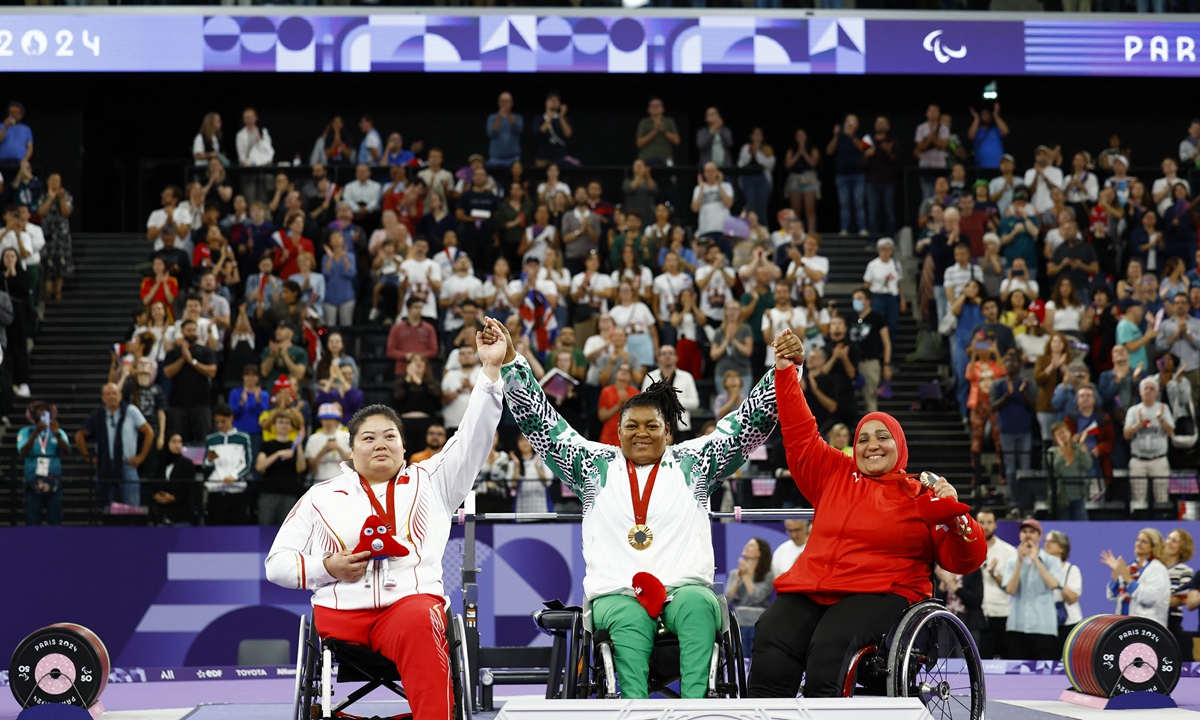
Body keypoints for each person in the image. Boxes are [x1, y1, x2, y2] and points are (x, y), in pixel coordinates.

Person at [497, 315, 781, 700]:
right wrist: (513, 363)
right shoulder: (593, 466)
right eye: (631, 426)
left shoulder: (695, 462)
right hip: (617, 594)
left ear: (669, 430)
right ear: (618, 432)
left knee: (699, 607)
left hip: (684, 589)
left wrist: (781, 371)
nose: (641, 433)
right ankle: (635, 709)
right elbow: (542, 426)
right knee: (629, 620)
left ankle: (696, 708)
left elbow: (748, 426)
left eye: (652, 426)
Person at [265, 318, 507, 720]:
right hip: (340, 616)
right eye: (369, 437)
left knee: (419, 619)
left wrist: (490, 372)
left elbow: (472, 437)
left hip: (408, 610)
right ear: (351, 449)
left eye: (390, 436)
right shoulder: (320, 496)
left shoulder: (433, 481)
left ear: (403, 445)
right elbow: (276, 564)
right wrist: (326, 567)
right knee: (414, 621)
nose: (380, 443)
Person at [750, 330, 984, 698]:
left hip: (880, 591)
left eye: (882, 437)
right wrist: (785, 370)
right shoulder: (834, 472)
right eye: (863, 438)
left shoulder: (921, 492)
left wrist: (956, 518)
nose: (872, 444)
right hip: (814, 587)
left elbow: (963, 560)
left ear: (899, 444)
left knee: (830, 647)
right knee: (771, 634)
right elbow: (799, 431)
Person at [77, 383, 154, 507]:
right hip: (105, 465)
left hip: (127, 464)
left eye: (114, 393)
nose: (111, 396)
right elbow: (80, 435)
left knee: (132, 505)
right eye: (108, 394)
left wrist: (142, 456)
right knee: (107, 506)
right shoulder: (98, 415)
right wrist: (88, 457)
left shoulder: (131, 411)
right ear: (103, 398)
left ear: (120, 395)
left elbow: (149, 432)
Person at [1002, 518, 1063, 661]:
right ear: (1020, 536)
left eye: (1032, 532)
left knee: (1045, 675)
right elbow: (1010, 590)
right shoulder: (1012, 562)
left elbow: (1053, 584)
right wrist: (1019, 561)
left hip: (1043, 627)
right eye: (1024, 532)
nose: (1028, 535)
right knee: (1016, 676)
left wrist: (1036, 560)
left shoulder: (1052, 561)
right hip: (1017, 626)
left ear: (1040, 536)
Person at [1124, 376, 1176, 510]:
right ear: (1140, 392)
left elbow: (1171, 432)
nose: (1148, 391)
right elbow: (1126, 434)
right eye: (1145, 388)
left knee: (1161, 497)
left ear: (1157, 392)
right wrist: (1139, 423)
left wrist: (1161, 419)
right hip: (1138, 460)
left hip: (1158, 459)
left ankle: (1162, 522)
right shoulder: (1133, 410)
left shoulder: (1163, 409)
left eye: (1152, 389)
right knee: (1138, 497)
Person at [162, 319, 219, 443]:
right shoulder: (173, 353)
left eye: (194, 330)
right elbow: (168, 372)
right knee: (178, 439)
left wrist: (192, 361)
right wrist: (183, 358)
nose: (191, 333)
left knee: (202, 440)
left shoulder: (206, 351)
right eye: (188, 330)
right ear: (182, 332)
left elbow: (212, 371)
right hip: (178, 404)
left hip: (201, 404)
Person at [1103, 528, 1170, 628]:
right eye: (1137, 540)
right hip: (1124, 624)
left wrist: (1129, 580)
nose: (1138, 544)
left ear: (1153, 547)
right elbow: (1113, 596)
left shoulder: (1158, 569)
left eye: (1143, 541)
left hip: (1148, 626)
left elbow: (1149, 598)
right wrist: (1115, 572)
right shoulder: (1132, 568)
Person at [19, 401, 70, 526]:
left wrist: (57, 434)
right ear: (32, 415)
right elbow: (23, 451)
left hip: (53, 481)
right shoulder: (25, 432)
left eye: (45, 412)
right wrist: (35, 433)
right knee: (32, 520)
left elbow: (67, 451)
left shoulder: (58, 431)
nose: (42, 414)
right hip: (33, 481)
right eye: (38, 411)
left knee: (55, 520)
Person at [203, 405, 254, 526]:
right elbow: (206, 466)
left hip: (237, 490)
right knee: (215, 529)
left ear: (231, 418)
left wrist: (234, 476)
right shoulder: (211, 439)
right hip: (216, 490)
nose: (220, 425)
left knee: (237, 529)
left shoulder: (243, 438)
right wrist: (209, 461)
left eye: (223, 421)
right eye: (217, 422)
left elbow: (247, 463)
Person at [978, 510, 1016, 660]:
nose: (986, 526)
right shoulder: (969, 548)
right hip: (976, 615)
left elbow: (1011, 587)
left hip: (1001, 613)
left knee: (1005, 659)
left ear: (995, 525)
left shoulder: (1008, 551)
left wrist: (994, 573)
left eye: (989, 522)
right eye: (982, 522)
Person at [727, 538, 774, 656]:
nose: (746, 547)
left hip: (757, 624)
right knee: (738, 658)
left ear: (759, 553)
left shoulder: (768, 576)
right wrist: (738, 580)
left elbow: (758, 598)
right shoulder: (735, 573)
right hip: (738, 623)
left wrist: (747, 577)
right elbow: (727, 599)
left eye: (751, 545)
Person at [1043, 530, 1082, 656]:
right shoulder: (1040, 568)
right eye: (1046, 541)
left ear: (1062, 548)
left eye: (1052, 541)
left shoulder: (1071, 570)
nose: (1046, 544)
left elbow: (1072, 598)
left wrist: (1057, 581)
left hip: (1068, 623)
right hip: (1045, 623)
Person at [826, 114, 867, 236]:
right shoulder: (840, 137)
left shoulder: (862, 136)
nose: (849, 124)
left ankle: (862, 228)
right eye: (848, 121)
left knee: (859, 203)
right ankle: (844, 228)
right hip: (842, 175)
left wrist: (852, 136)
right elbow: (829, 151)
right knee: (844, 204)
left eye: (852, 122)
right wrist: (836, 135)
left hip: (858, 175)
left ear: (857, 125)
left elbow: (863, 149)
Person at [36, 173, 72, 300]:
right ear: (48, 182)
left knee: (61, 264)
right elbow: (41, 213)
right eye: (54, 181)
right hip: (47, 234)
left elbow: (66, 212)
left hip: (61, 235)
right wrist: (51, 198)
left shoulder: (66, 195)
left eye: (58, 181)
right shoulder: (43, 196)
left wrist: (61, 198)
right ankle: (48, 293)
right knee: (47, 264)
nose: (56, 183)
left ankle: (58, 293)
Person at [862, 237, 905, 341]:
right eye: (883, 249)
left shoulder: (896, 264)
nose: (886, 252)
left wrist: (902, 299)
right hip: (878, 297)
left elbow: (899, 282)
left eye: (888, 249)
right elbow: (867, 284)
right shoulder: (873, 265)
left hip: (892, 297)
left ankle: (890, 353)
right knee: (877, 325)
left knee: (892, 325)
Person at [1163, 529, 1195, 661]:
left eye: (1174, 541)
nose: (1169, 542)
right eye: (1168, 538)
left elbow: (1180, 599)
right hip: (1150, 618)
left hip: (1172, 620)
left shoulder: (1185, 571)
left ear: (1182, 549)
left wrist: (1153, 600)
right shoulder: (1153, 568)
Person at [1049, 421, 1091, 520]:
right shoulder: (1052, 452)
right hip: (1062, 497)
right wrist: (1062, 448)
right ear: (1055, 438)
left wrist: (1082, 445)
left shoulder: (1078, 449)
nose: (1063, 435)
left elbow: (1087, 465)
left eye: (1064, 432)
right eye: (1059, 434)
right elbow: (1057, 469)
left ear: (1070, 432)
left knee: (1082, 525)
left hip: (1079, 495)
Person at [784, 129, 820, 234]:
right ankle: (796, 232)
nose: (801, 138)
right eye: (798, 136)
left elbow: (813, 163)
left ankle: (811, 233)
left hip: (809, 178)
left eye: (802, 136)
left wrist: (803, 152)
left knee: (810, 210)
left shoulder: (812, 149)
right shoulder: (791, 150)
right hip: (795, 179)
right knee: (795, 211)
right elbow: (788, 165)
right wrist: (798, 152)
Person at [737, 128, 775, 225]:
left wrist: (757, 152)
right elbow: (741, 164)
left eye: (760, 135)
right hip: (748, 180)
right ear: (751, 136)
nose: (757, 137)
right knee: (750, 206)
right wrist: (751, 152)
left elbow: (770, 164)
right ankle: (748, 232)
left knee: (762, 207)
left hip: (763, 180)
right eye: (755, 134)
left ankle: (763, 232)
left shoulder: (767, 149)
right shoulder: (746, 148)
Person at [635, 97, 680, 166]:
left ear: (663, 108)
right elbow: (639, 143)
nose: (655, 108)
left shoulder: (669, 121)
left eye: (658, 106)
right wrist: (654, 132)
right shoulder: (644, 122)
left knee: (672, 168)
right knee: (637, 165)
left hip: (666, 159)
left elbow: (677, 141)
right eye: (653, 106)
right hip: (646, 159)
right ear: (648, 109)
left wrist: (664, 131)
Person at [969, 103, 1009, 170]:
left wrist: (996, 115)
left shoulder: (996, 129)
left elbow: (1006, 131)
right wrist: (976, 118)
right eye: (984, 114)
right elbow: (970, 136)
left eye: (988, 114)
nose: (986, 116)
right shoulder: (977, 130)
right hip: (981, 167)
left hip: (998, 166)